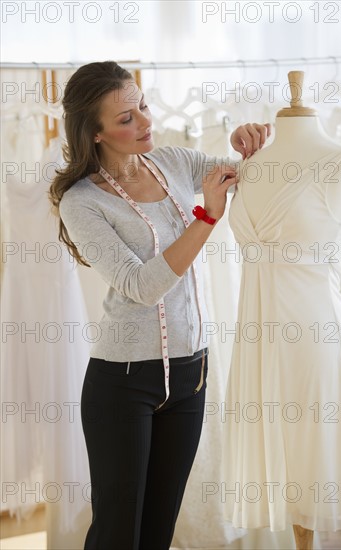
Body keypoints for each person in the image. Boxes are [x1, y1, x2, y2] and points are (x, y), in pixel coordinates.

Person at [48, 60, 271, 550]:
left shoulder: (173, 161)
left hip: (191, 371)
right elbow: (141, 284)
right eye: (126, 119)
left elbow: (242, 175)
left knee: (159, 528)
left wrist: (246, 142)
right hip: (125, 382)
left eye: (142, 107)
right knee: (117, 533)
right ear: (96, 133)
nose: (145, 122)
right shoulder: (82, 202)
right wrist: (205, 218)